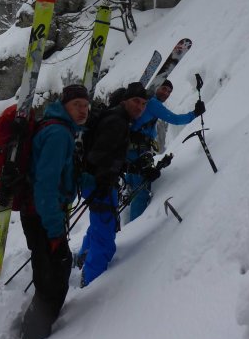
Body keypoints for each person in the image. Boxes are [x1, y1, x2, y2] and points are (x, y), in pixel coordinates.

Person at [17, 83, 89, 339]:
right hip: (43, 217)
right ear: (64, 105)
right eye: (77, 105)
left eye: (85, 105)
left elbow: (59, 175)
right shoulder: (59, 134)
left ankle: (30, 328)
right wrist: (56, 231)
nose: (83, 110)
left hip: (38, 214)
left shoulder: (56, 127)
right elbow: (46, 186)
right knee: (53, 281)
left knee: (47, 274)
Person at [77, 81, 148, 287]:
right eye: (136, 101)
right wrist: (103, 179)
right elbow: (99, 155)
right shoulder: (117, 122)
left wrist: (132, 167)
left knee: (99, 225)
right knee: (105, 236)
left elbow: (111, 154)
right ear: (125, 101)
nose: (140, 107)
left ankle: (84, 256)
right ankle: (91, 281)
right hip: (100, 185)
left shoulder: (117, 117)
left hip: (96, 182)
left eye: (143, 104)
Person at [125, 79, 205, 221]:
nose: (166, 93)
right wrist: (194, 114)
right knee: (141, 192)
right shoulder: (153, 104)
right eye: (164, 88)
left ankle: (125, 224)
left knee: (132, 187)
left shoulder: (147, 102)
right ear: (156, 87)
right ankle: (135, 226)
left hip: (129, 150)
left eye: (169, 91)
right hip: (138, 152)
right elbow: (174, 119)